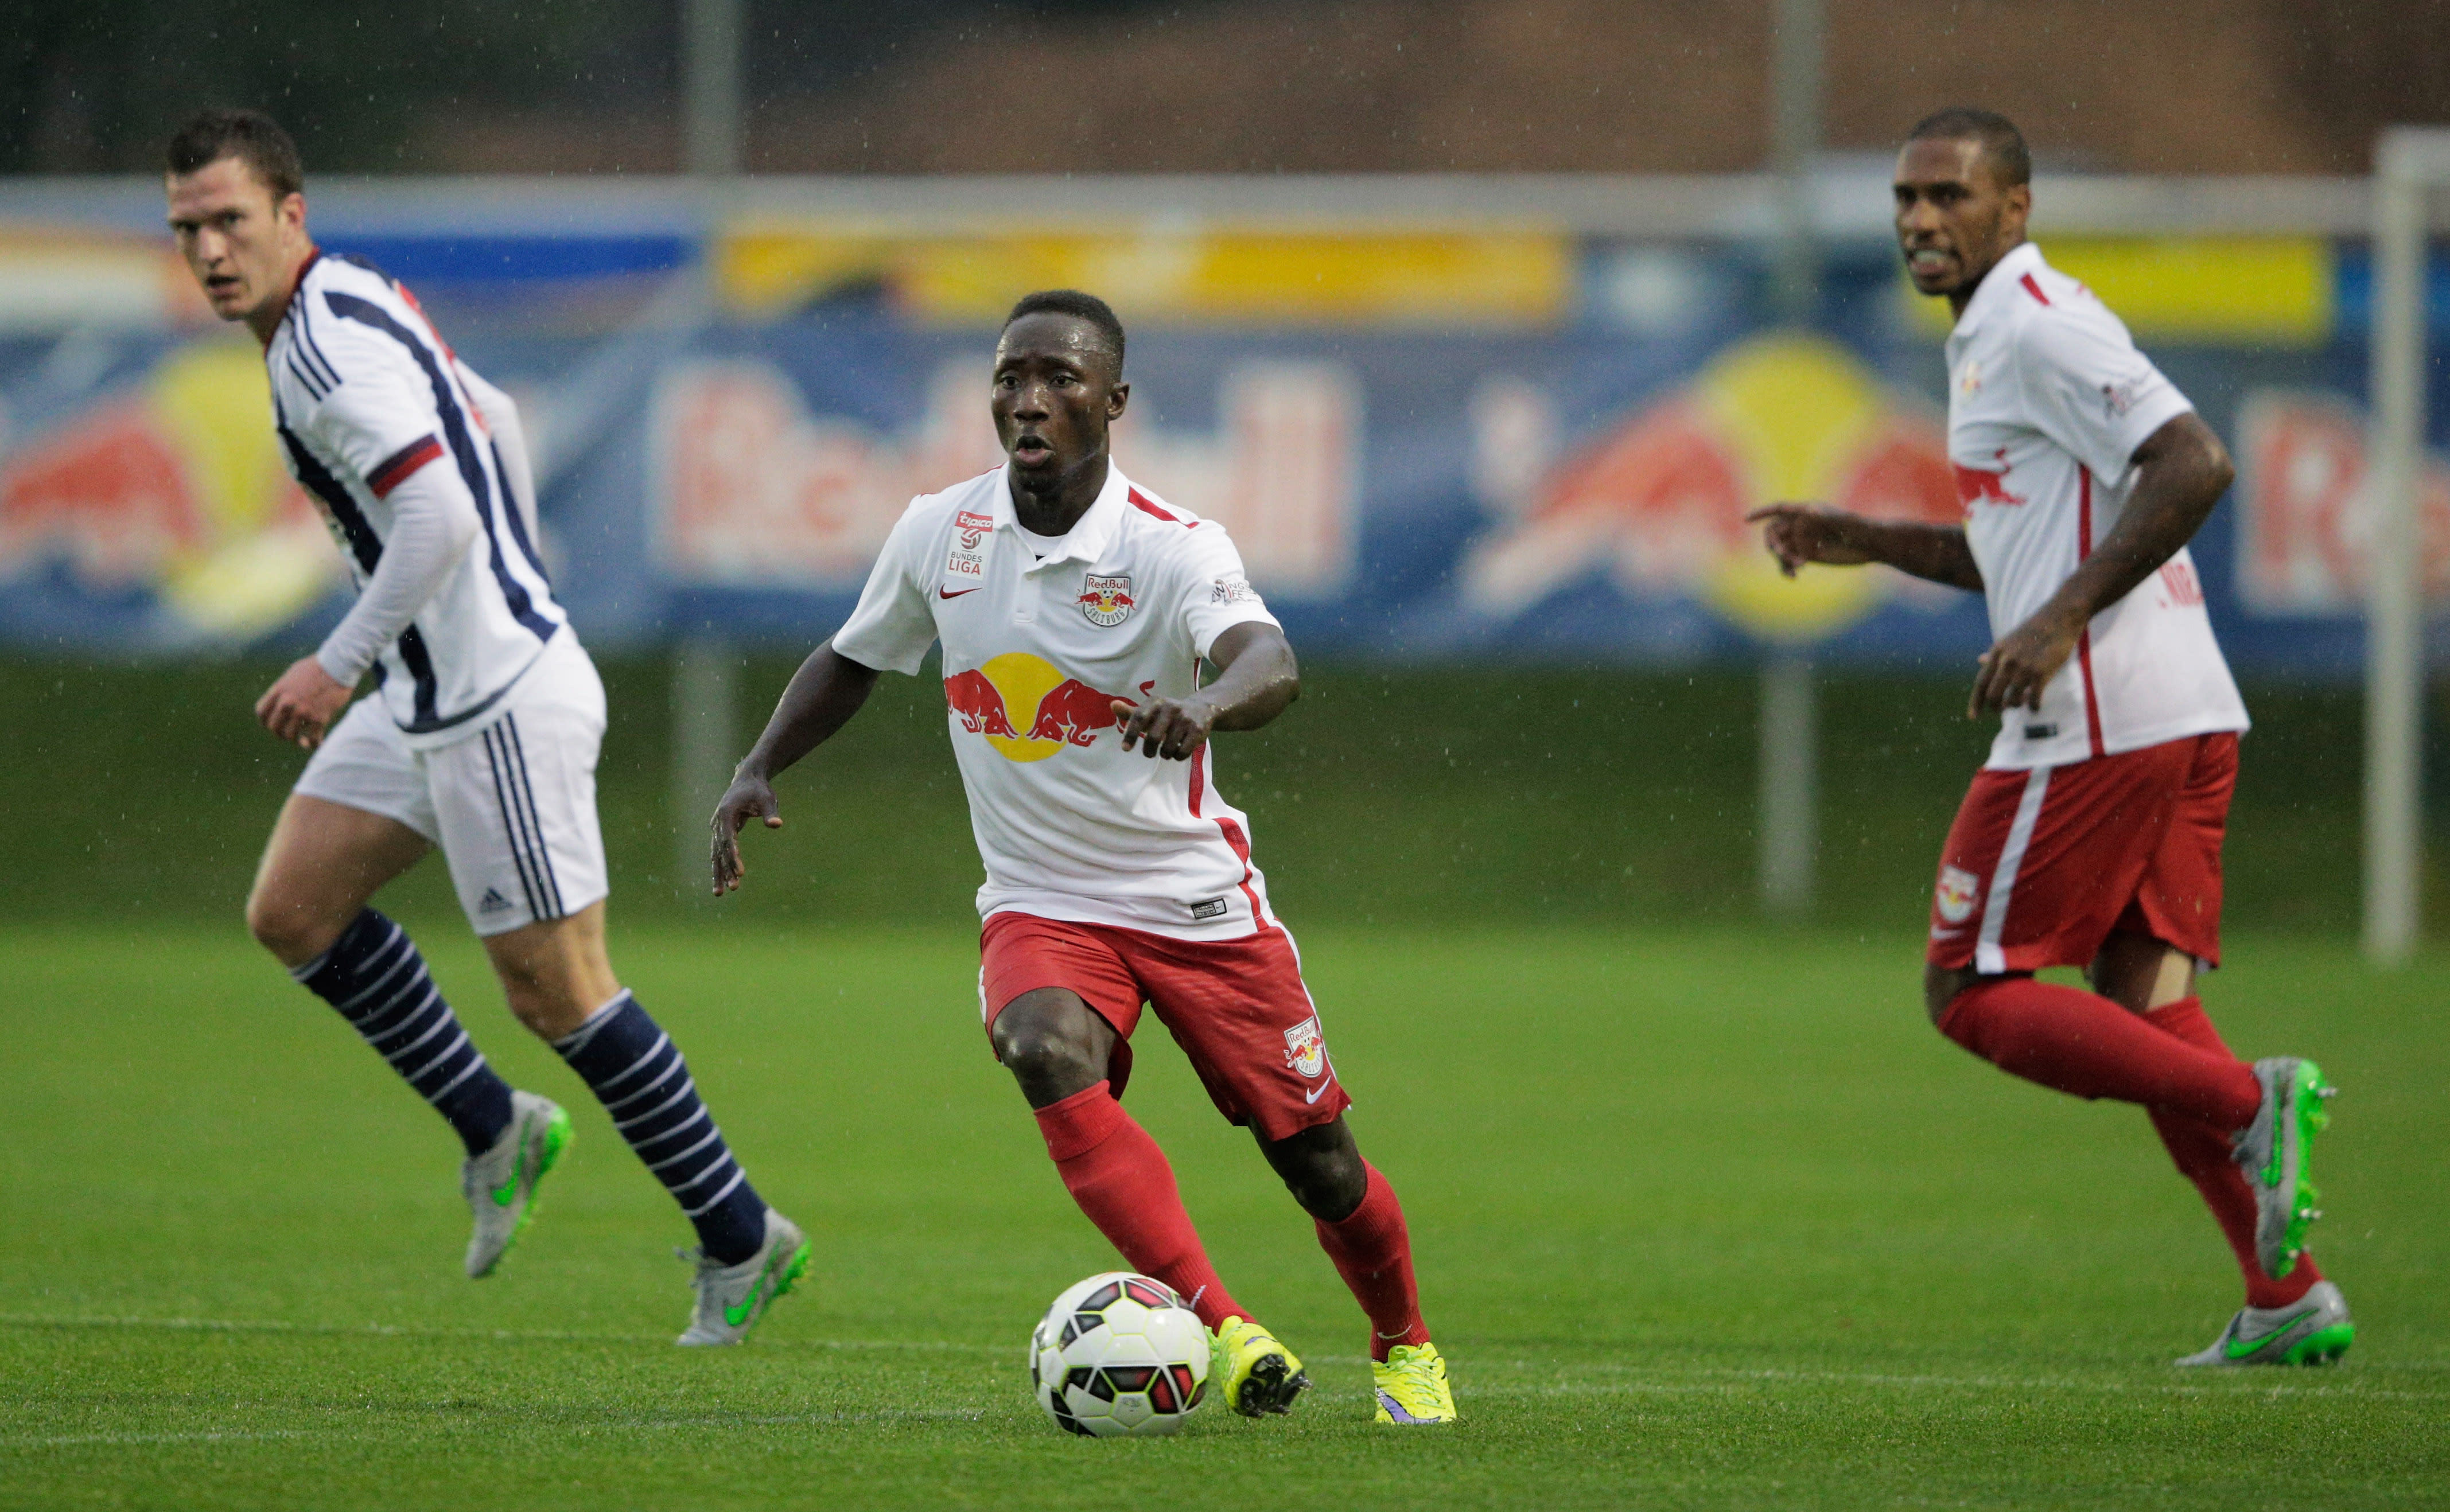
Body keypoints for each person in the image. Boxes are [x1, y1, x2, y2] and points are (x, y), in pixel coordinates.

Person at [711, 289, 1457, 1424]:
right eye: (1011, 377)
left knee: (1319, 1166)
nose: (1029, 399)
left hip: (1195, 901)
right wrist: (759, 763)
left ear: (1113, 403)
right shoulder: (940, 533)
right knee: (1037, 1044)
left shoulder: (1169, 545)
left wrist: (1204, 703)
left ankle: (1403, 1345)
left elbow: (1270, 658)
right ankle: (1223, 1326)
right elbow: (854, 657)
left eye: (1060, 379)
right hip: (1041, 899)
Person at [166, 108, 804, 1345]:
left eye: (229, 220)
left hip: (491, 703)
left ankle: (742, 1239)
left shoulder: (320, 354)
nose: (207, 250)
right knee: (294, 911)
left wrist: (338, 660)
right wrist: (503, 579)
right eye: (187, 227)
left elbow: (438, 519)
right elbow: (494, 414)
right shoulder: (342, 300)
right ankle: (494, 1126)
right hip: (430, 686)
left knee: (561, 995)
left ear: (290, 216)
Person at [1748, 108, 2350, 1367]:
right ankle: (2283, 1290)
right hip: (2177, 708)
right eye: (1905, 198)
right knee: (2143, 1005)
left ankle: (2256, 1103)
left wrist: (2058, 621)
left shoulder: (2035, 323)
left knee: (1967, 988)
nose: (1920, 219)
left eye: (1947, 196)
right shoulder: (1992, 333)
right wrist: (1862, 538)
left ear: (2011, 210)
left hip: (2099, 715)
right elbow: (2019, 551)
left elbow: (2193, 461)